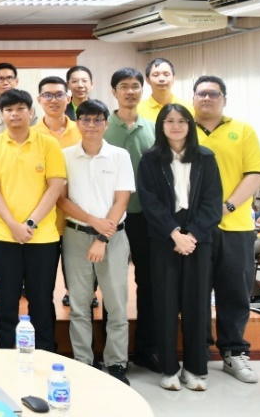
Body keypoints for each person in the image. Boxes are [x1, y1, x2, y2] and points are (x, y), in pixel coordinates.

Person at [136, 104, 222, 391]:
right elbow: (150, 202)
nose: (176, 126)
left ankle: (196, 369)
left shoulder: (206, 158)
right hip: (164, 238)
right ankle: (169, 369)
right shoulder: (149, 159)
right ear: (161, 125)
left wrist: (192, 234)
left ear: (190, 125)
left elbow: (213, 203)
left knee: (197, 304)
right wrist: (174, 233)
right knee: (165, 303)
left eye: (182, 121)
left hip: (199, 237)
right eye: (169, 121)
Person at [192, 75, 260, 384]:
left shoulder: (242, 130)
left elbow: (255, 174)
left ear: (224, 98)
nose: (207, 98)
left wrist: (227, 207)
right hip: (194, 230)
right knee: (195, 294)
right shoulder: (181, 128)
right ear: (193, 98)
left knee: (234, 293)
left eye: (214, 93)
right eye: (201, 94)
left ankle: (234, 353)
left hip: (235, 227)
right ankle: (197, 355)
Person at [0, 88, 65, 352]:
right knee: (6, 299)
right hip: (5, 236)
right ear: (2, 114)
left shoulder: (48, 143)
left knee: (41, 299)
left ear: (30, 111)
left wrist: (29, 225)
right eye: (8, 110)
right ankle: (6, 353)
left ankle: (45, 353)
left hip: (43, 237)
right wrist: (14, 226)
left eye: (19, 109)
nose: (14, 114)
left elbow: (55, 185)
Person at [57, 100, 134, 385]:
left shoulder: (119, 156)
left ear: (105, 122)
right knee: (79, 304)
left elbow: (122, 199)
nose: (91, 125)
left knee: (115, 304)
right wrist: (93, 220)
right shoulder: (64, 155)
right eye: (85, 119)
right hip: (76, 236)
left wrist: (102, 235)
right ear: (78, 122)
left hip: (113, 238)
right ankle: (83, 363)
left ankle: (116, 365)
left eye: (97, 119)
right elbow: (61, 199)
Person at [103, 67, 159, 373]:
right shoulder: (100, 126)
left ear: (142, 90)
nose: (130, 91)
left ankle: (146, 349)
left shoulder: (154, 128)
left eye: (136, 86)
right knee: (110, 287)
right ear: (113, 92)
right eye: (123, 86)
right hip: (110, 219)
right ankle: (112, 355)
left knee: (147, 284)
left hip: (145, 219)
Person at [0, 62, 40, 299]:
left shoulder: (28, 107)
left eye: (10, 77)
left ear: (17, 80)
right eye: (0, 78)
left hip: (25, 177)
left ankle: (24, 281)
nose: (5, 82)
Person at [32, 75, 84, 308]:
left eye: (59, 94)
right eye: (48, 95)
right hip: (45, 222)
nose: (54, 100)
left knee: (81, 290)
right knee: (42, 288)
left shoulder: (83, 129)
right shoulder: (31, 134)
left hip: (79, 218)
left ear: (69, 97)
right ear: (39, 99)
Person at [137, 58, 193, 124]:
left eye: (166, 74)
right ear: (147, 80)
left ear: (174, 78)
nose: (161, 79)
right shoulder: (137, 110)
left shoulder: (188, 107)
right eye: (156, 75)